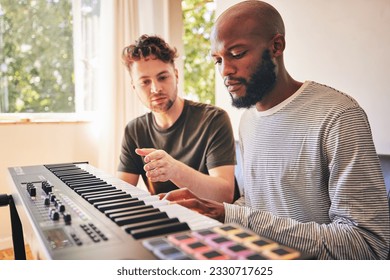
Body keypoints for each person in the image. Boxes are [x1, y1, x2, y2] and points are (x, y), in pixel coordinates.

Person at [162, 0, 390, 259]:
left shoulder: (339, 117)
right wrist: (206, 215)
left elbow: (369, 246)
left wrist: (229, 213)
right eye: (218, 60)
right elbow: (255, 206)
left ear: (276, 46)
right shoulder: (248, 121)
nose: (225, 70)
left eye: (236, 54)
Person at [117, 34, 236, 203]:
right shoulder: (134, 130)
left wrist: (175, 170)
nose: (156, 89)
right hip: (167, 222)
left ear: (176, 75)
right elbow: (121, 194)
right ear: (134, 86)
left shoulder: (213, 119)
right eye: (145, 82)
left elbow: (225, 195)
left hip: (212, 222)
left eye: (162, 77)